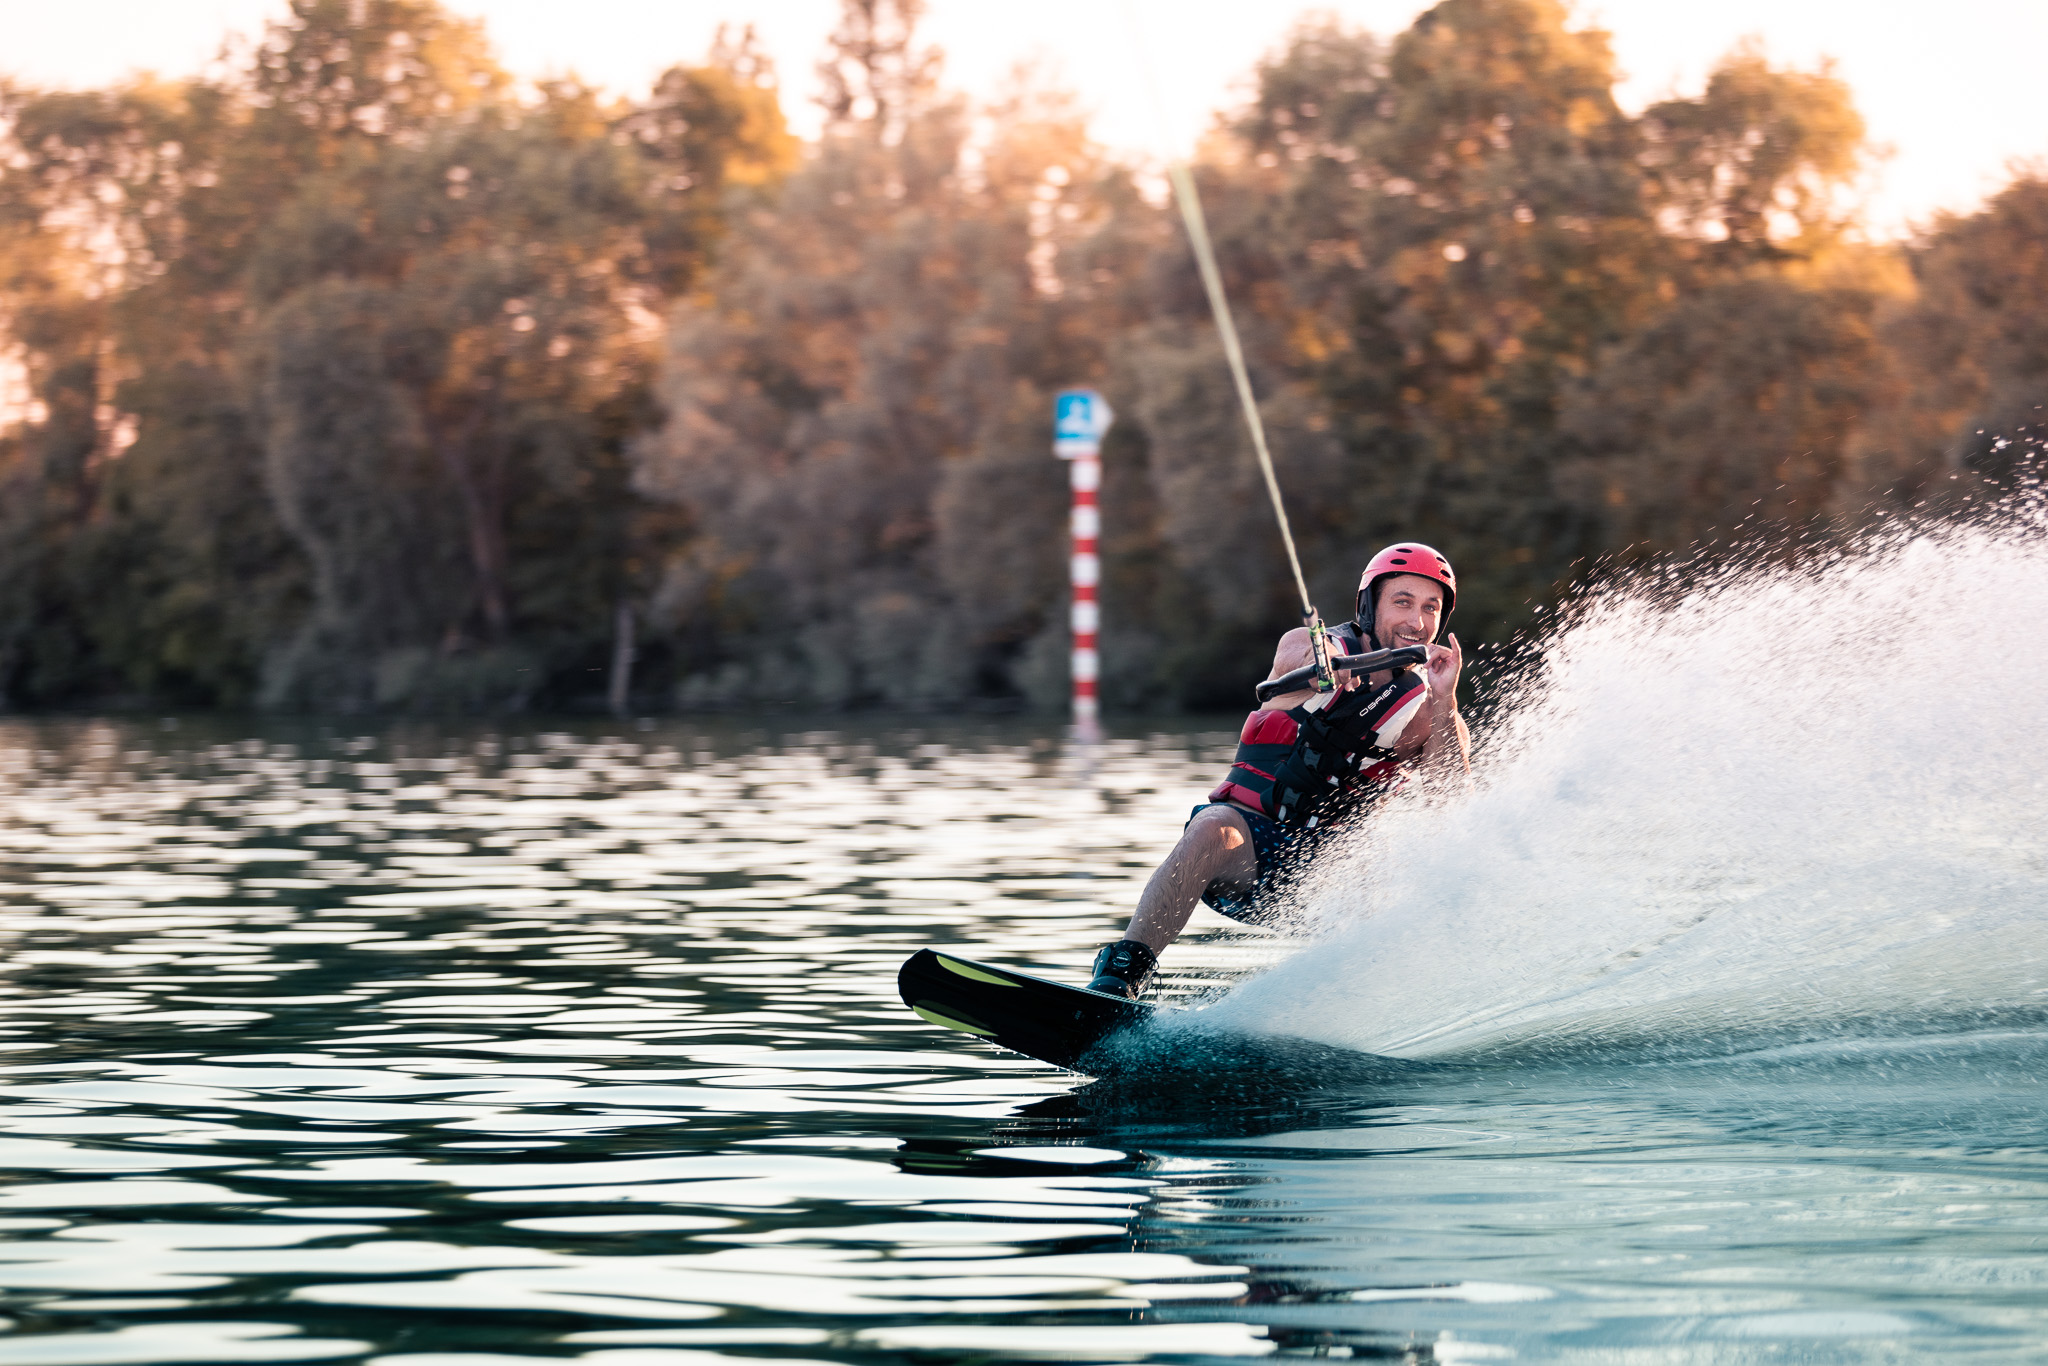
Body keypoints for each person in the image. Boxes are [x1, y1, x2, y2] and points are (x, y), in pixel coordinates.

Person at [1086, 542, 1470, 999]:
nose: (1417, 621)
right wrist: (1332, 663)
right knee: (1212, 826)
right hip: (1252, 851)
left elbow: (1453, 802)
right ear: (1370, 606)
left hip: (1332, 880)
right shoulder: (1312, 647)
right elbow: (1302, 656)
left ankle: (1383, 1010)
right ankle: (1121, 978)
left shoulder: (1431, 706)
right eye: (1402, 601)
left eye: (1431, 608)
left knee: (1414, 877)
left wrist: (1446, 701)